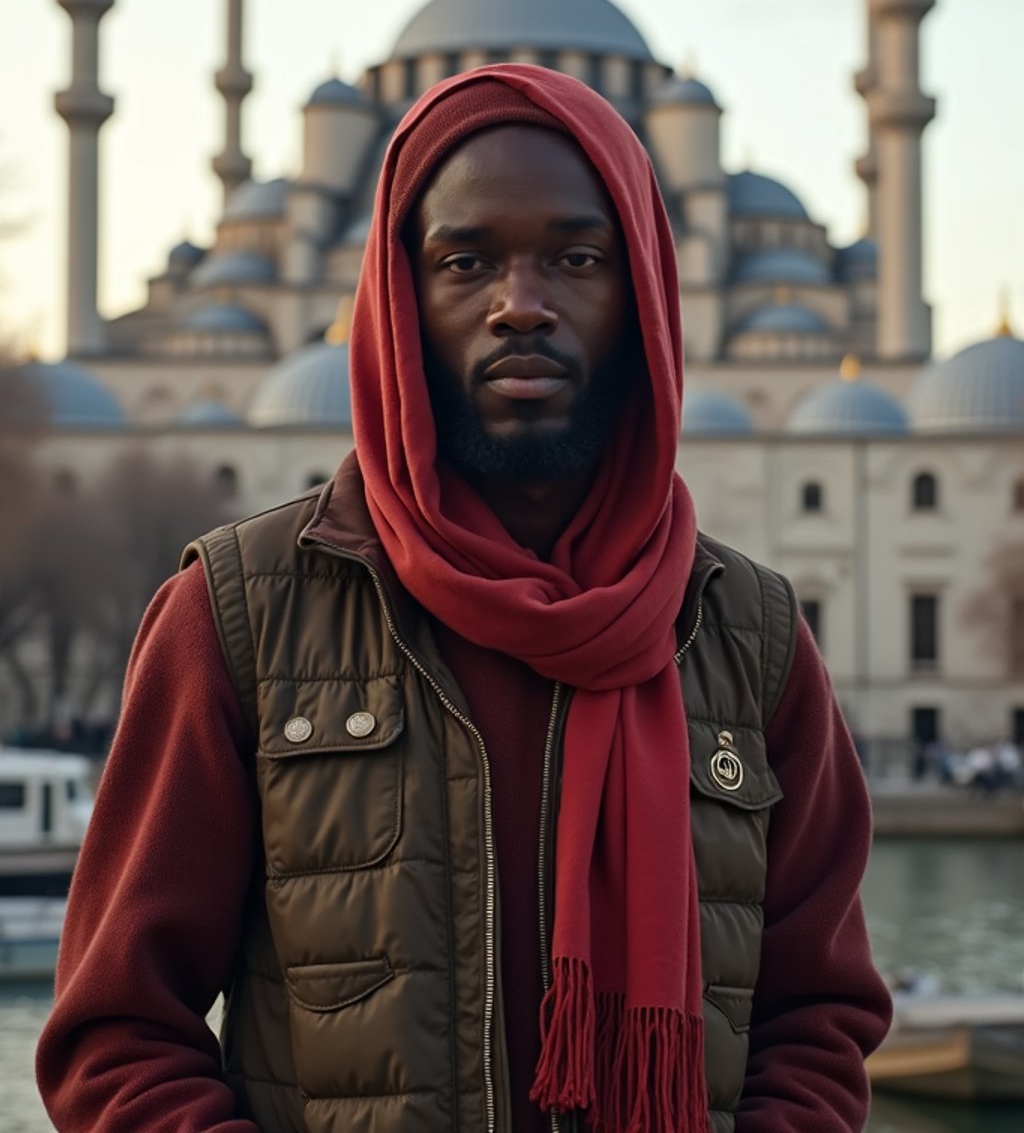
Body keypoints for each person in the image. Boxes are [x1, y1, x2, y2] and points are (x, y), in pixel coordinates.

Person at [37, 65, 892, 1133]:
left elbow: (817, 1019)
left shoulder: (746, 633)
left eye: (577, 259)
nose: (519, 305)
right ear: (399, 300)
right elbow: (115, 1038)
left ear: (644, 298)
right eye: (465, 261)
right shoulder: (239, 614)